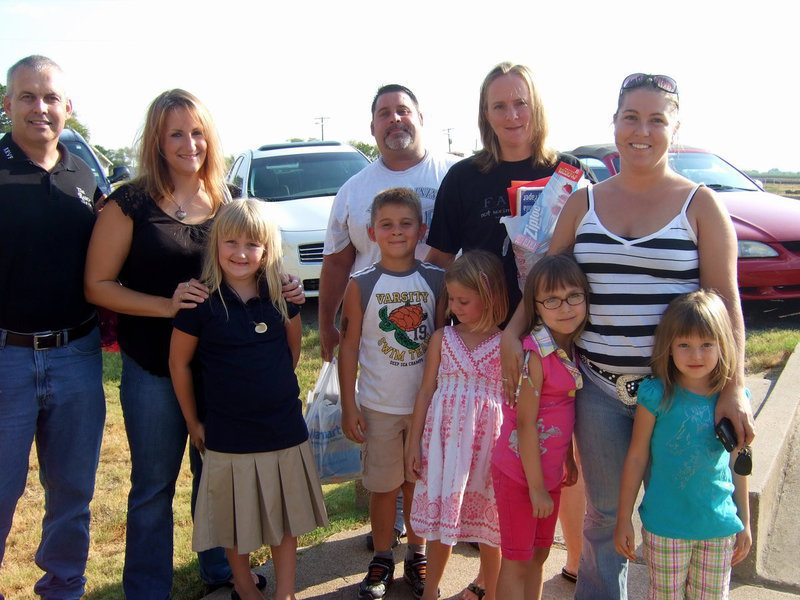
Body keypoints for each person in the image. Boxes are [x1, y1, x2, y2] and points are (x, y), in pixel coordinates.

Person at [500, 73, 755, 600]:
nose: (642, 130)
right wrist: (512, 331)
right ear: (614, 124)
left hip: (680, 396)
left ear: (675, 129)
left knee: (680, 511)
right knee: (604, 516)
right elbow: (546, 279)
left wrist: (732, 388)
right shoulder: (584, 203)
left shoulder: (702, 207)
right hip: (597, 388)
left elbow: (726, 304)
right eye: (631, 118)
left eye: (657, 119)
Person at [85, 89, 303, 598]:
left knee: (220, 480)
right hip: (154, 370)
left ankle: (221, 572)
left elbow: (261, 265)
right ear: (157, 142)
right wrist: (168, 305)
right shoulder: (130, 202)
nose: (189, 143)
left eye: (198, 132)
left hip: (227, 375)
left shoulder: (227, 203)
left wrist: (286, 289)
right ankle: (147, 588)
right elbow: (98, 285)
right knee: (153, 487)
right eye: (176, 133)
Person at [169, 199, 328, 600]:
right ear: (215, 244)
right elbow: (179, 364)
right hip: (227, 432)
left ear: (268, 249)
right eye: (231, 242)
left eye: (253, 244)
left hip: (282, 429)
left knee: (286, 520)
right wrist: (193, 422)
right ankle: (244, 586)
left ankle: (285, 592)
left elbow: (291, 355)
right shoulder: (199, 301)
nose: (241, 253)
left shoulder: (283, 297)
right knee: (234, 521)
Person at [0, 54, 105, 600]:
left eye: (50, 98)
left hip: (77, 353)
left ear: (68, 107)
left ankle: (64, 588)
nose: (39, 108)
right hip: (6, 355)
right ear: (7, 103)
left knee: (72, 491)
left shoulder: (86, 175)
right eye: (26, 96)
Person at [338, 188, 445, 600]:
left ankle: (417, 554)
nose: (397, 232)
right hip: (379, 407)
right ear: (372, 232)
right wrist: (350, 404)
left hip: (425, 409)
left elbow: (439, 340)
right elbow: (348, 347)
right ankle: (382, 556)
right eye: (387, 224)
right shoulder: (361, 284)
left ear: (422, 229)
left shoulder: (436, 279)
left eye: (406, 224)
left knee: (416, 484)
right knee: (383, 488)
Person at [614, 290, 751, 599]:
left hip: (718, 526)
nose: (696, 355)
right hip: (666, 527)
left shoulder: (730, 403)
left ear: (722, 346)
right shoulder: (655, 395)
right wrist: (624, 518)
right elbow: (636, 458)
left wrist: (745, 521)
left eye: (706, 345)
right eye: (684, 345)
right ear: (669, 347)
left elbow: (739, 462)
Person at [425, 62, 583, 316]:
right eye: (499, 106)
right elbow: (439, 261)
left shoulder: (569, 172)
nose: (512, 115)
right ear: (485, 114)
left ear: (537, 107)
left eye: (521, 103)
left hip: (558, 327)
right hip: (483, 331)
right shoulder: (463, 177)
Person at [319, 83, 456, 361]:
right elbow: (336, 263)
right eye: (384, 113)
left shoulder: (455, 176)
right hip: (381, 332)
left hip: (451, 323)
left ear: (421, 119)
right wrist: (325, 325)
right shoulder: (352, 191)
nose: (394, 118)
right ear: (372, 128)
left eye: (403, 111)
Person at [406, 250, 508, 600]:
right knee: (439, 524)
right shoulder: (442, 339)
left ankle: (492, 592)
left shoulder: (507, 346)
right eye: (451, 299)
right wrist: (413, 443)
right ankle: (430, 589)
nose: (453, 306)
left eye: (464, 300)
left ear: (490, 297)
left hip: (486, 454)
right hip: (444, 449)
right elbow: (425, 392)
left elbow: (515, 402)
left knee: (488, 531)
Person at [492, 254, 588, 600]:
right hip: (521, 477)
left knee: (540, 555)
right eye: (552, 300)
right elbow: (525, 424)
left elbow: (564, 413)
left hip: (549, 476)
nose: (565, 308)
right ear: (535, 306)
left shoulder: (571, 347)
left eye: (574, 296)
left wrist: (569, 460)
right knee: (516, 561)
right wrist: (536, 489)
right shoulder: (535, 354)